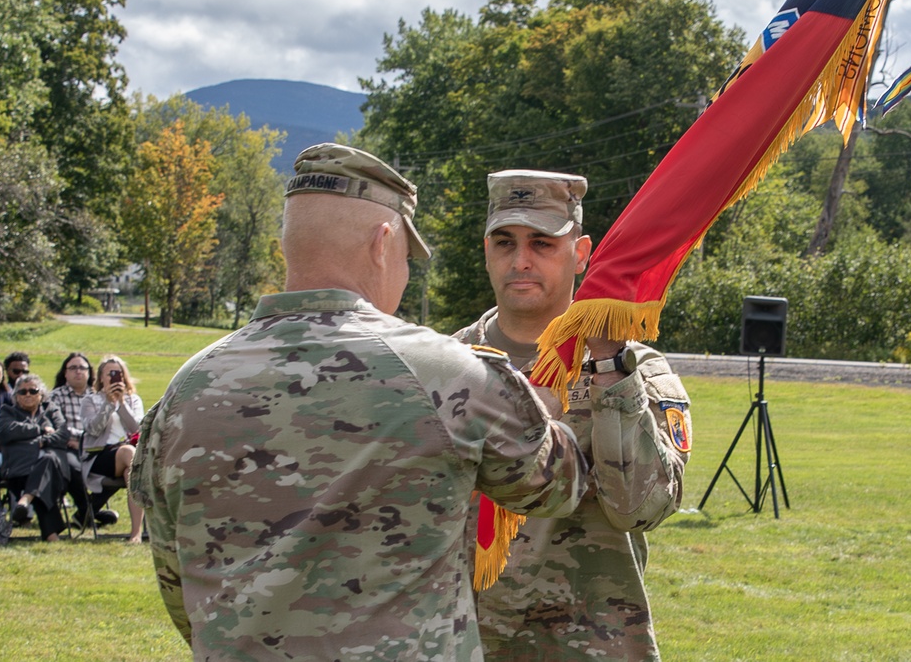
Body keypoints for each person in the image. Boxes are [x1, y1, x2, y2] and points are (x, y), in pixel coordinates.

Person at [131, 143, 589, 661]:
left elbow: (176, 580)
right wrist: (545, 405)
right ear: (382, 243)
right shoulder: (446, 373)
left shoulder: (187, 389)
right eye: (406, 258)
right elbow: (557, 488)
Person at [453, 169, 693, 661]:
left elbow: (640, 509)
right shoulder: (447, 365)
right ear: (486, 250)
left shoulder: (635, 370)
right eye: (505, 242)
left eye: (542, 243)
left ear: (581, 254)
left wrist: (607, 367)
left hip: (593, 646)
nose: (520, 261)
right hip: (465, 645)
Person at [0, 374, 75, 542]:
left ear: (41, 394)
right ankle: (51, 534)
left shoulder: (51, 409)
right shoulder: (8, 411)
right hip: (20, 473)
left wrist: (39, 442)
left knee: (48, 461)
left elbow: (63, 435)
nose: (28, 395)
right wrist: (40, 429)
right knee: (44, 475)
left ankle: (25, 499)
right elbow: (5, 433)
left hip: (57, 475)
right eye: (23, 392)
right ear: (16, 396)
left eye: (33, 390)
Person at [80, 355, 144, 543]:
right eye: (110, 374)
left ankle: (135, 534)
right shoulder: (90, 401)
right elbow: (92, 429)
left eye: (119, 374)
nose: (115, 378)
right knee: (129, 454)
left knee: (130, 472)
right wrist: (108, 404)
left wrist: (122, 403)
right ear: (101, 378)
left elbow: (138, 430)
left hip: (128, 458)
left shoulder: (134, 400)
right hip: (98, 456)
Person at [49, 352, 115, 527]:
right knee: (75, 469)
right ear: (65, 373)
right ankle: (89, 512)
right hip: (67, 447)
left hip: (95, 447)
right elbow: (58, 427)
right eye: (73, 368)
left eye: (82, 368)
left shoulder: (98, 396)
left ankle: (85, 513)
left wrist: (83, 440)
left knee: (115, 469)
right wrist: (79, 438)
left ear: (89, 372)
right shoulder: (56, 396)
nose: (78, 372)